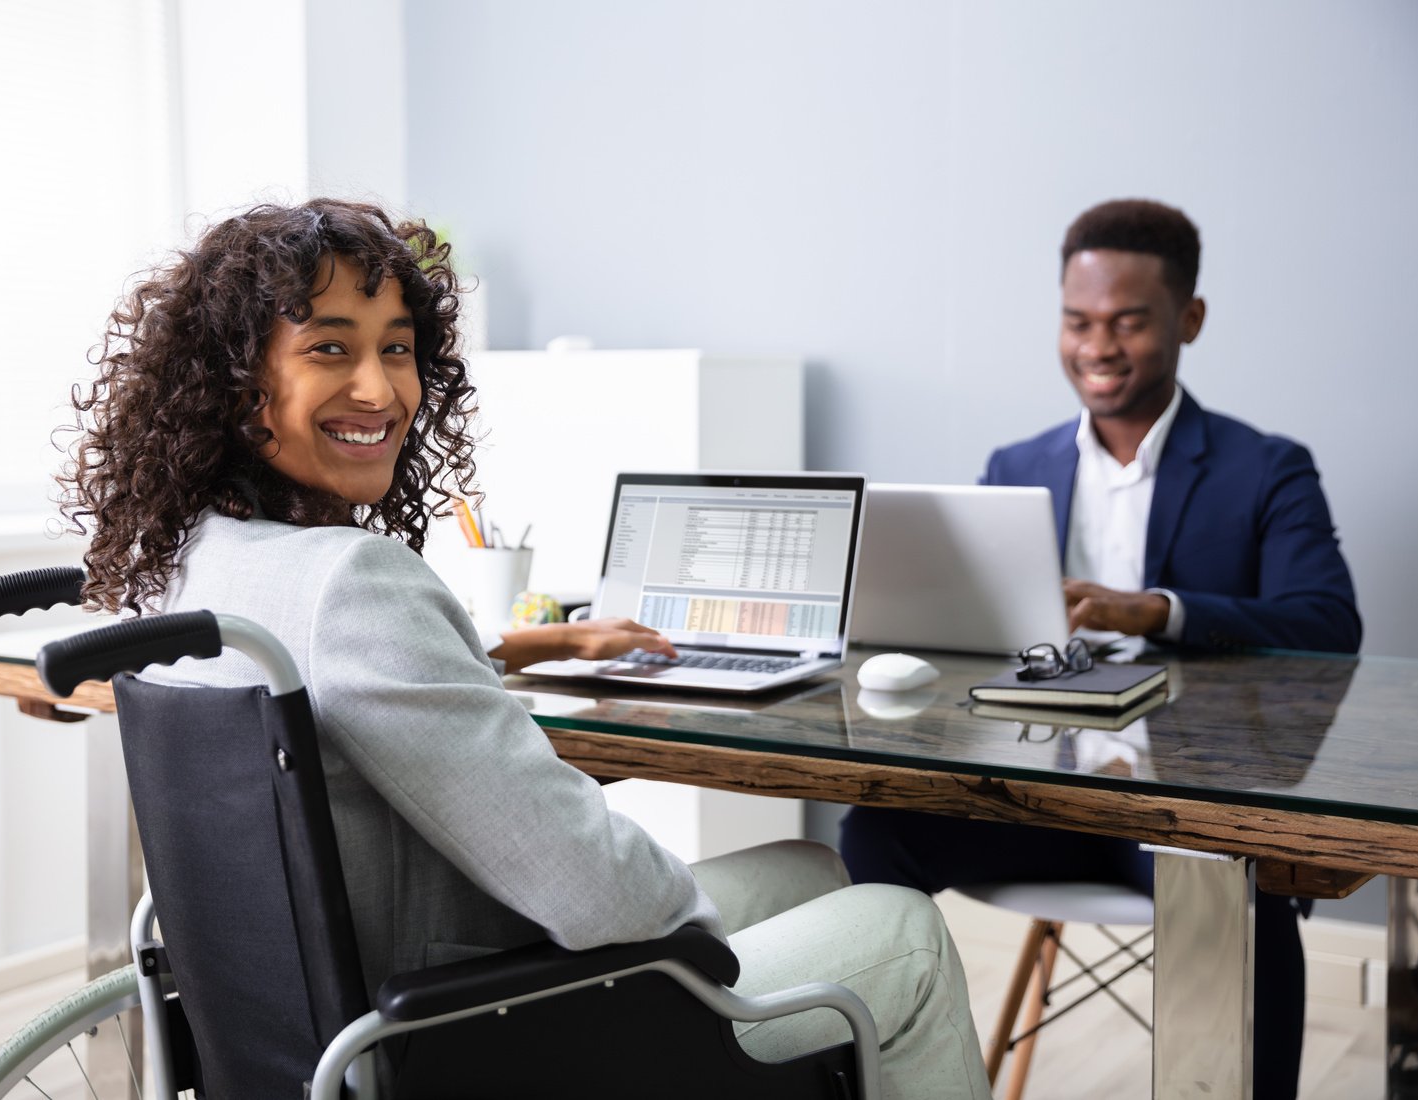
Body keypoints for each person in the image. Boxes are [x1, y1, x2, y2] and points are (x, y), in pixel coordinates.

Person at [59, 197, 989, 1097]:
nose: (379, 389)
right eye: (329, 348)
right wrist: (697, 956)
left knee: (809, 870)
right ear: (236, 384)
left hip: (323, 1032)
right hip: (471, 1035)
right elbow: (598, 899)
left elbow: (357, 686)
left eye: (397, 350)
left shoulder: (192, 569)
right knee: (897, 926)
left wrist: (522, 646)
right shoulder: (352, 582)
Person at [840, 198, 1360, 1099]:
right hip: (1031, 793)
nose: (1097, 346)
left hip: (1178, 811)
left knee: (1236, 885)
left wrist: (1152, 611)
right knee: (871, 832)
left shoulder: (1266, 467)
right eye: (1077, 322)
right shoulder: (1016, 466)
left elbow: (1327, 623)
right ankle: (873, 1080)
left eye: (1127, 322)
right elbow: (969, 636)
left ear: (1187, 319)